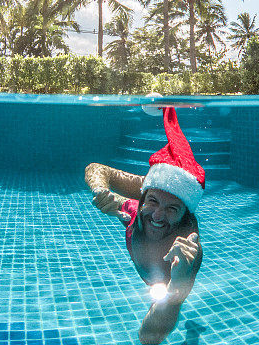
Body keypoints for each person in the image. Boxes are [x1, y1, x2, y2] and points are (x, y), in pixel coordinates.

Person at [85, 106, 204, 345]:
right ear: (144, 194)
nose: (159, 216)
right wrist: (101, 192)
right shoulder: (146, 194)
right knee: (130, 211)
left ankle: (193, 333)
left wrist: (177, 283)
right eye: (153, 201)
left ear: (183, 214)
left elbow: (149, 336)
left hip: (171, 271)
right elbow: (96, 168)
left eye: (172, 209)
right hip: (136, 218)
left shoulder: (188, 251)